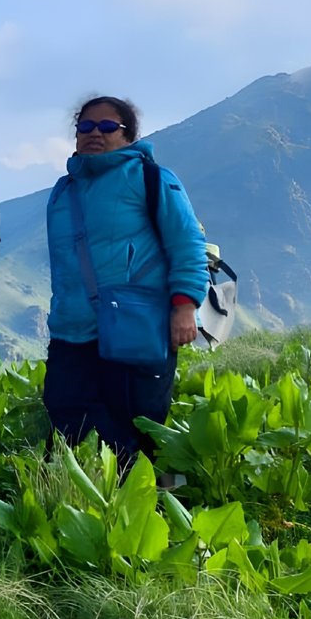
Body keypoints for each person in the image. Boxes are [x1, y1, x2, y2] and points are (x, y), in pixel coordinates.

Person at [42, 95, 206, 467]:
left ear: (128, 135)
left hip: (136, 325)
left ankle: (153, 503)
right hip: (72, 329)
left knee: (137, 425)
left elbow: (187, 243)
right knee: (67, 419)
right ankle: (71, 502)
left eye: (106, 127)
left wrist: (184, 305)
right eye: (85, 127)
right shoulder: (64, 190)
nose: (93, 134)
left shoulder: (152, 179)